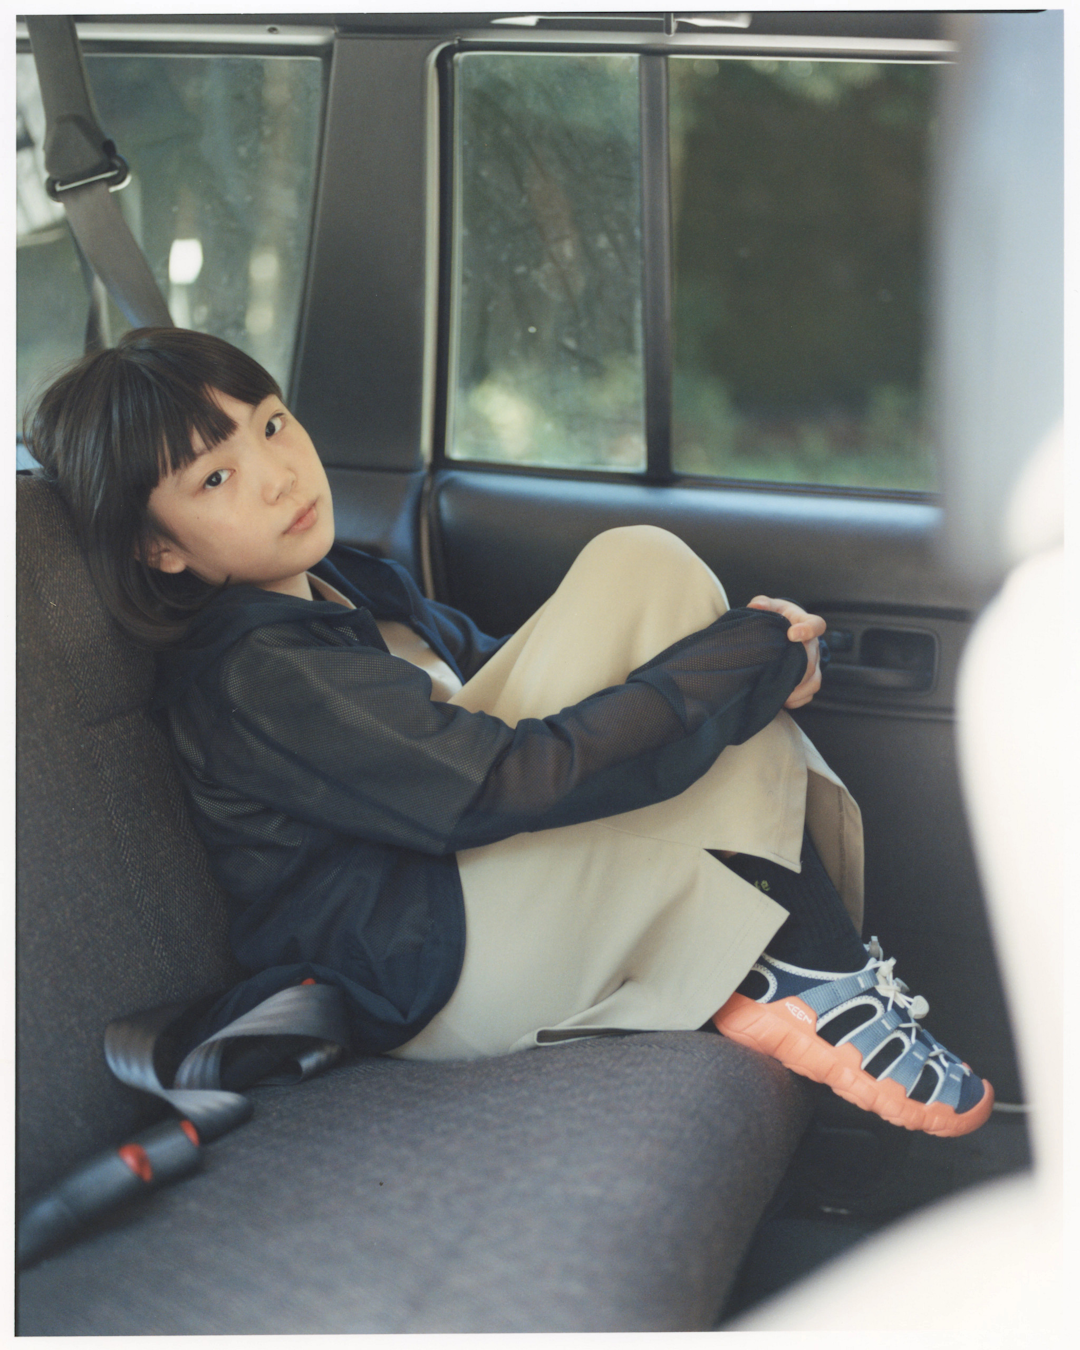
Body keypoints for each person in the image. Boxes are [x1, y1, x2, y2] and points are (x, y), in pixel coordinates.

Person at [25, 327, 993, 1138]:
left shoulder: (346, 586)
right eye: (216, 478)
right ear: (158, 547)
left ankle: (790, 964)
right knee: (667, 600)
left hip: (485, 900)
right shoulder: (253, 673)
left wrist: (745, 662)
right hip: (436, 978)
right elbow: (494, 781)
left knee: (662, 600)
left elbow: (533, 681)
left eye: (272, 424)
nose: (279, 475)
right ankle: (811, 968)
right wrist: (746, 663)